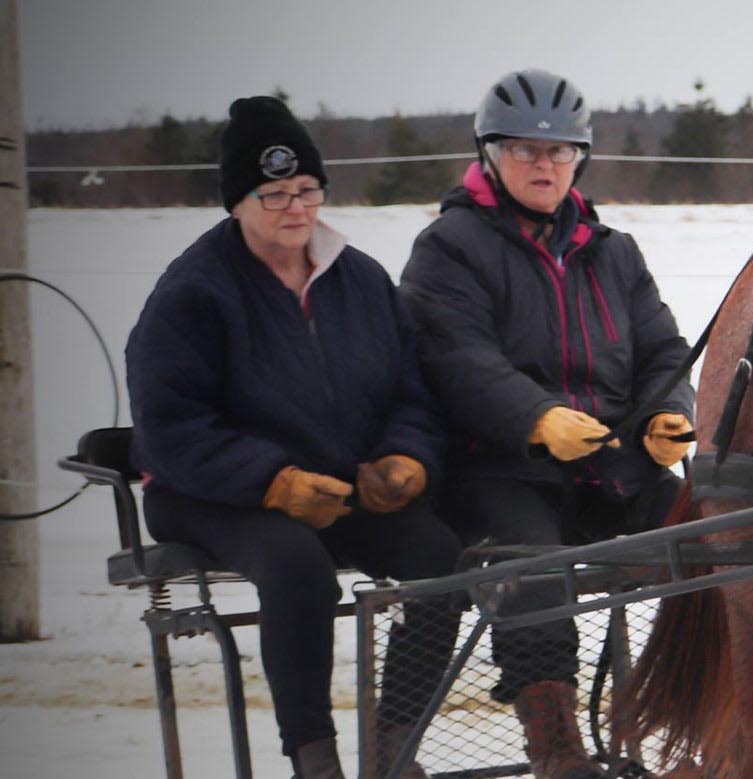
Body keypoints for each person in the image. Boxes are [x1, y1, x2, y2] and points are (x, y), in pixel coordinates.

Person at [125, 96, 462, 779]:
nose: (294, 206)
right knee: (298, 569)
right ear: (237, 203)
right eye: (272, 192)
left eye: (306, 189)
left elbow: (411, 392)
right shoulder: (194, 291)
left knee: (440, 557)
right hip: (208, 492)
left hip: (337, 486)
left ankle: (395, 745)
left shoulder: (360, 278)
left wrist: (405, 458)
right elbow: (170, 425)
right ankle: (315, 758)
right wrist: (270, 481)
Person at [399, 69, 694, 779]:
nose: (545, 164)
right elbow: (456, 358)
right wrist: (537, 417)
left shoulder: (612, 250)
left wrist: (665, 414)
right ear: (489, 155)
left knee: (719, 537)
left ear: (580, 160)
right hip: (497, 467)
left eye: (561, 151)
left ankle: (710, 723)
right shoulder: (449, 247)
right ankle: (557, 745)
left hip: (612, 467)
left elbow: (662, 349)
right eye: (526, 149)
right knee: (533, 566)